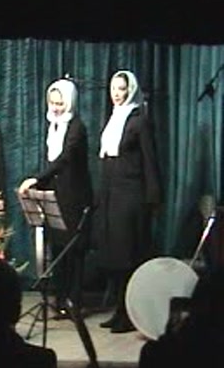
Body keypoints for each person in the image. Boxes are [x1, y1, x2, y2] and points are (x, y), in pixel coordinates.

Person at [94, 70, 161, 334]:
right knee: (115, 256)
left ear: (130, 90)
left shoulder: (139, 120)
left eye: (121, 89)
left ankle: (130, 314)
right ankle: (119, 310)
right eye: (113, 88)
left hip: (131, 196)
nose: (116, 94)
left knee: (128, 256)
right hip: (111, 195)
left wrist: (153, 198)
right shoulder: (114, 118)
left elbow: (150, 161)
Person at [19, 78, 92, 317]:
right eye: (52, 103)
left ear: (70, 102)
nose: (56, 108)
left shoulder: (77, 127)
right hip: (56, 196)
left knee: (74, 251)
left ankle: (74, 302)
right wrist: (39, 189)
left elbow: (64, 159)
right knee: (58, 249)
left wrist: (36, 179)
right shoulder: (54, 126)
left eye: (60, 103)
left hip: (74, 198)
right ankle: (60, 301)